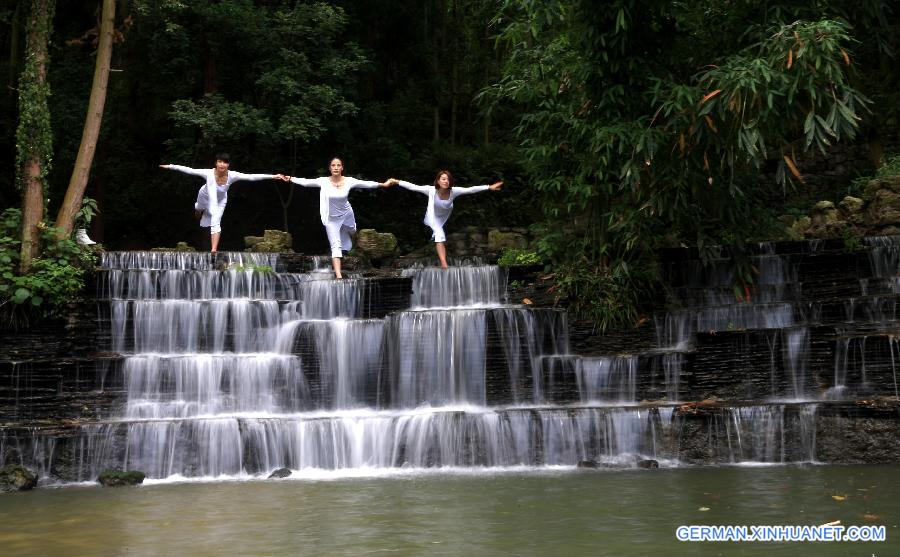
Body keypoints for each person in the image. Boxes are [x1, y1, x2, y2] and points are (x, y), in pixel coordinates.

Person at [283, 157, 395, 278]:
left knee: (352, 231)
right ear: (330, 168)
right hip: (331, 219)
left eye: (338, 165)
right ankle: (338, 275)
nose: (336, 167)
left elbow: (366, 184)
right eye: (333, 165)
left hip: (347, 213)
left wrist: (383, 184)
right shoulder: (323, 181)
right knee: (335, 245)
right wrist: (290, 178)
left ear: (342, 168)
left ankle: (356, 246)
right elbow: (306, 182)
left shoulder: (349, 181)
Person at [160, 154, 285, 252]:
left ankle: (214, 249)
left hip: (220, 201)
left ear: (228, 165)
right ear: (216, 163)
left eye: (225, 162)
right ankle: (198, 210)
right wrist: (171, 166)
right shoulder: (208, 173)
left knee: (216, 222)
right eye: (220, 162)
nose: (222, 164)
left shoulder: (232, 175)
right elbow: (190, 170)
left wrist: (273, 176)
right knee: (199, 207)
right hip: (204, 195)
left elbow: (251, 177)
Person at [393, 170, 503, 268]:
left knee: (438, 234)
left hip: (445, 214)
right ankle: (444, 264)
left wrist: (489, 187)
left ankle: (442, 261)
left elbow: (470, 190)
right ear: (438, 181)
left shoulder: (454, 191)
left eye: (448, 179)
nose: (446, 181)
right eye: (443, 179)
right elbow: (413, 187)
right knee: (439, 234)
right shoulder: (430, 190)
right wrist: (397, 181)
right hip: (433, 217)